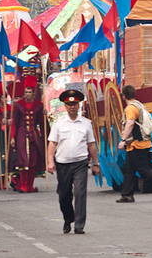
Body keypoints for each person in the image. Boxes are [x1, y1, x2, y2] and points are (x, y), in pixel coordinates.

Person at [46, 90, 99, 234]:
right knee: (64, 195)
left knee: (80, 192)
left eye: (74, 104)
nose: (72, 107)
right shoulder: (58, 123)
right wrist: (50, 162)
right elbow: (52, 144)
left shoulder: (86, 124)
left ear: (79, 105)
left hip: (80, 163)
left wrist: (96, 164)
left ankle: (79, 225)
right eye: (69, 104)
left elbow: (92, 145)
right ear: (65, 106)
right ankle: (68, 218)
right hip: (63, 164)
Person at [117, 85, 152, 202]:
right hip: (139, 143)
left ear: (124, 96)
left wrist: (123, 140)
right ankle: (127, 194)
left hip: (137, 143)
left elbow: (130, 123)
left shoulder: (131, 108)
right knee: (129, 168)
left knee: (143, 169)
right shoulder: (140, 105)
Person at [11, 76, 45, 193]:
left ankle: (30, 185)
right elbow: (15, 122)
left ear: (33, 92)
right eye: (26, 92)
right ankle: (24, 185)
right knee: (22, 159)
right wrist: (12, 137)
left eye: (30, 92)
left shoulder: (39, 105)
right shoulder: (19, 105)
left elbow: (41, 123)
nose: (28, 94)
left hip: (34, 135)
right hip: (21, 134)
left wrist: (44, 116)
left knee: (33, 160)